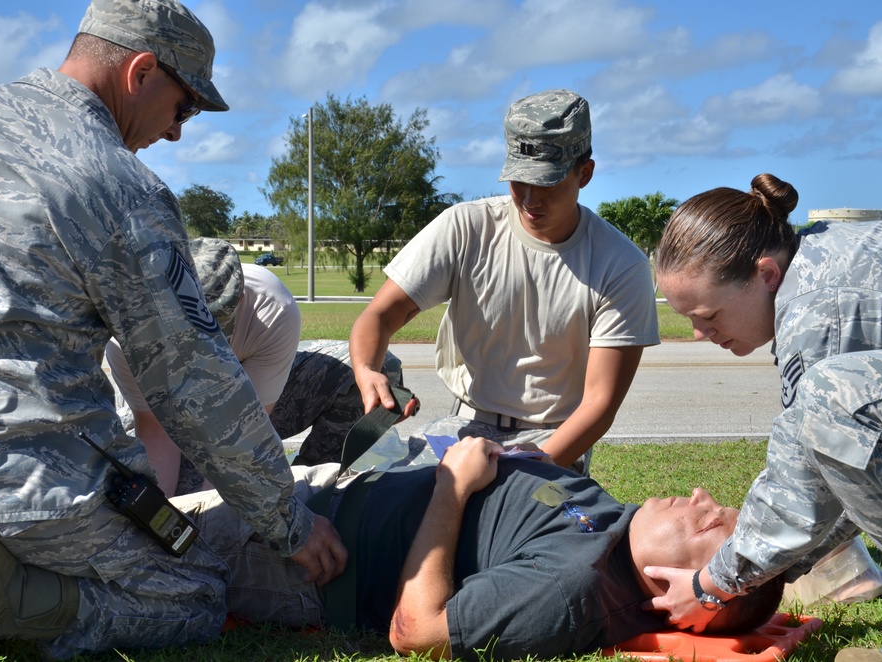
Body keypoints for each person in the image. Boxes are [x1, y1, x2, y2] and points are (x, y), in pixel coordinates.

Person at [0, 1, 343, 659]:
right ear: (142, 71)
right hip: (30, 483)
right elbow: (195, 384)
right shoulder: (118, 186)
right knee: (194, 595)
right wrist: (290, 522)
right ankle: (7, 594)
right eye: (183, 109)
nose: (177, 134)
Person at [648, 173, 882, 662]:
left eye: (710, 316)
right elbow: (852, 475)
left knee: (830, 398)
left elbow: (804, 485)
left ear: (765, 276)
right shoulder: (818, 270)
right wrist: (774, 567)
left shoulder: (819, 312)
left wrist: (711, 584)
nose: (699, 334)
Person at [200, 437, 785, 660]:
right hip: (335, 484)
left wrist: (453, 489)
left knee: (124, 523)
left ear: (672, 585)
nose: (701, 496)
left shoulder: (569, 587)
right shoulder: (613, 524)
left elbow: (417, 633)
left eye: (711, 523)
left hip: (302, 550)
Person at [349, 89, 660, 475]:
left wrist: (520, 471)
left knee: (523, 527)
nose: (529, 200)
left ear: (585, 173)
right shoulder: (465, 227)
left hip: (554, 440)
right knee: (386, 506)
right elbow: (380, 315)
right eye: (518, 181)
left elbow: (598, 406)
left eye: (547, 183)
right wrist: (366, 369)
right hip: (464, 425)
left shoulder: (620, 265)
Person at [105, 237, 406, 496]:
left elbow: (245, 432)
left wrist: (218, 511)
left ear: (240, 300)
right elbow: (156, 431)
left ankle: (306, 490)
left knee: (379, 370)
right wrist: (168, 516)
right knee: (161, 497)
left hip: (243, 400)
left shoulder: (272, 308)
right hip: (176, 415)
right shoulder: (130, 339)